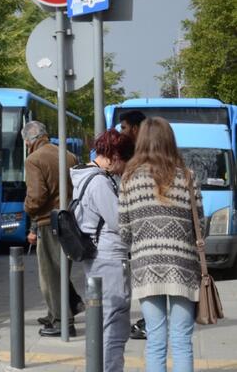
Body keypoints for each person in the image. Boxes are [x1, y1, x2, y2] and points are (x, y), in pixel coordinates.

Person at [119, 117, 201, 372]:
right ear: (170, 141)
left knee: (155, 339)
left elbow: (124, 231)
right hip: (183, 267)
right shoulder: (187, 177)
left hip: (146, 267)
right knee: (182, 340)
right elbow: (200, 226)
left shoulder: (129, 179)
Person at [70, 130, 135, 372]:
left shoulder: (85, 176)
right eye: (124, 160)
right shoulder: (99, 182)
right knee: (114, 322)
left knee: (102, 320)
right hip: (109, 257)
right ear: (115, 156)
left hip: (98, 256)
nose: (123, 167)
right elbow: (119, 221)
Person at [21, 121, 82, 337]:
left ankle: (62, 321)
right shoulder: (69, 156)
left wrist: (27, 208)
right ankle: (63, 309)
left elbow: (37, 197)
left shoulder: (33, 159)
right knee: (60, 269)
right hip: (69, 220)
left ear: (29, 140)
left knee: (50, 274)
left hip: (49, 222)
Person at [117, 109, 149, 340]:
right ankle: (149, 321)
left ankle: (149, 323)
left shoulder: (142, 156)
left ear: (135, 129)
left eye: (124, 127)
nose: (122, 132)